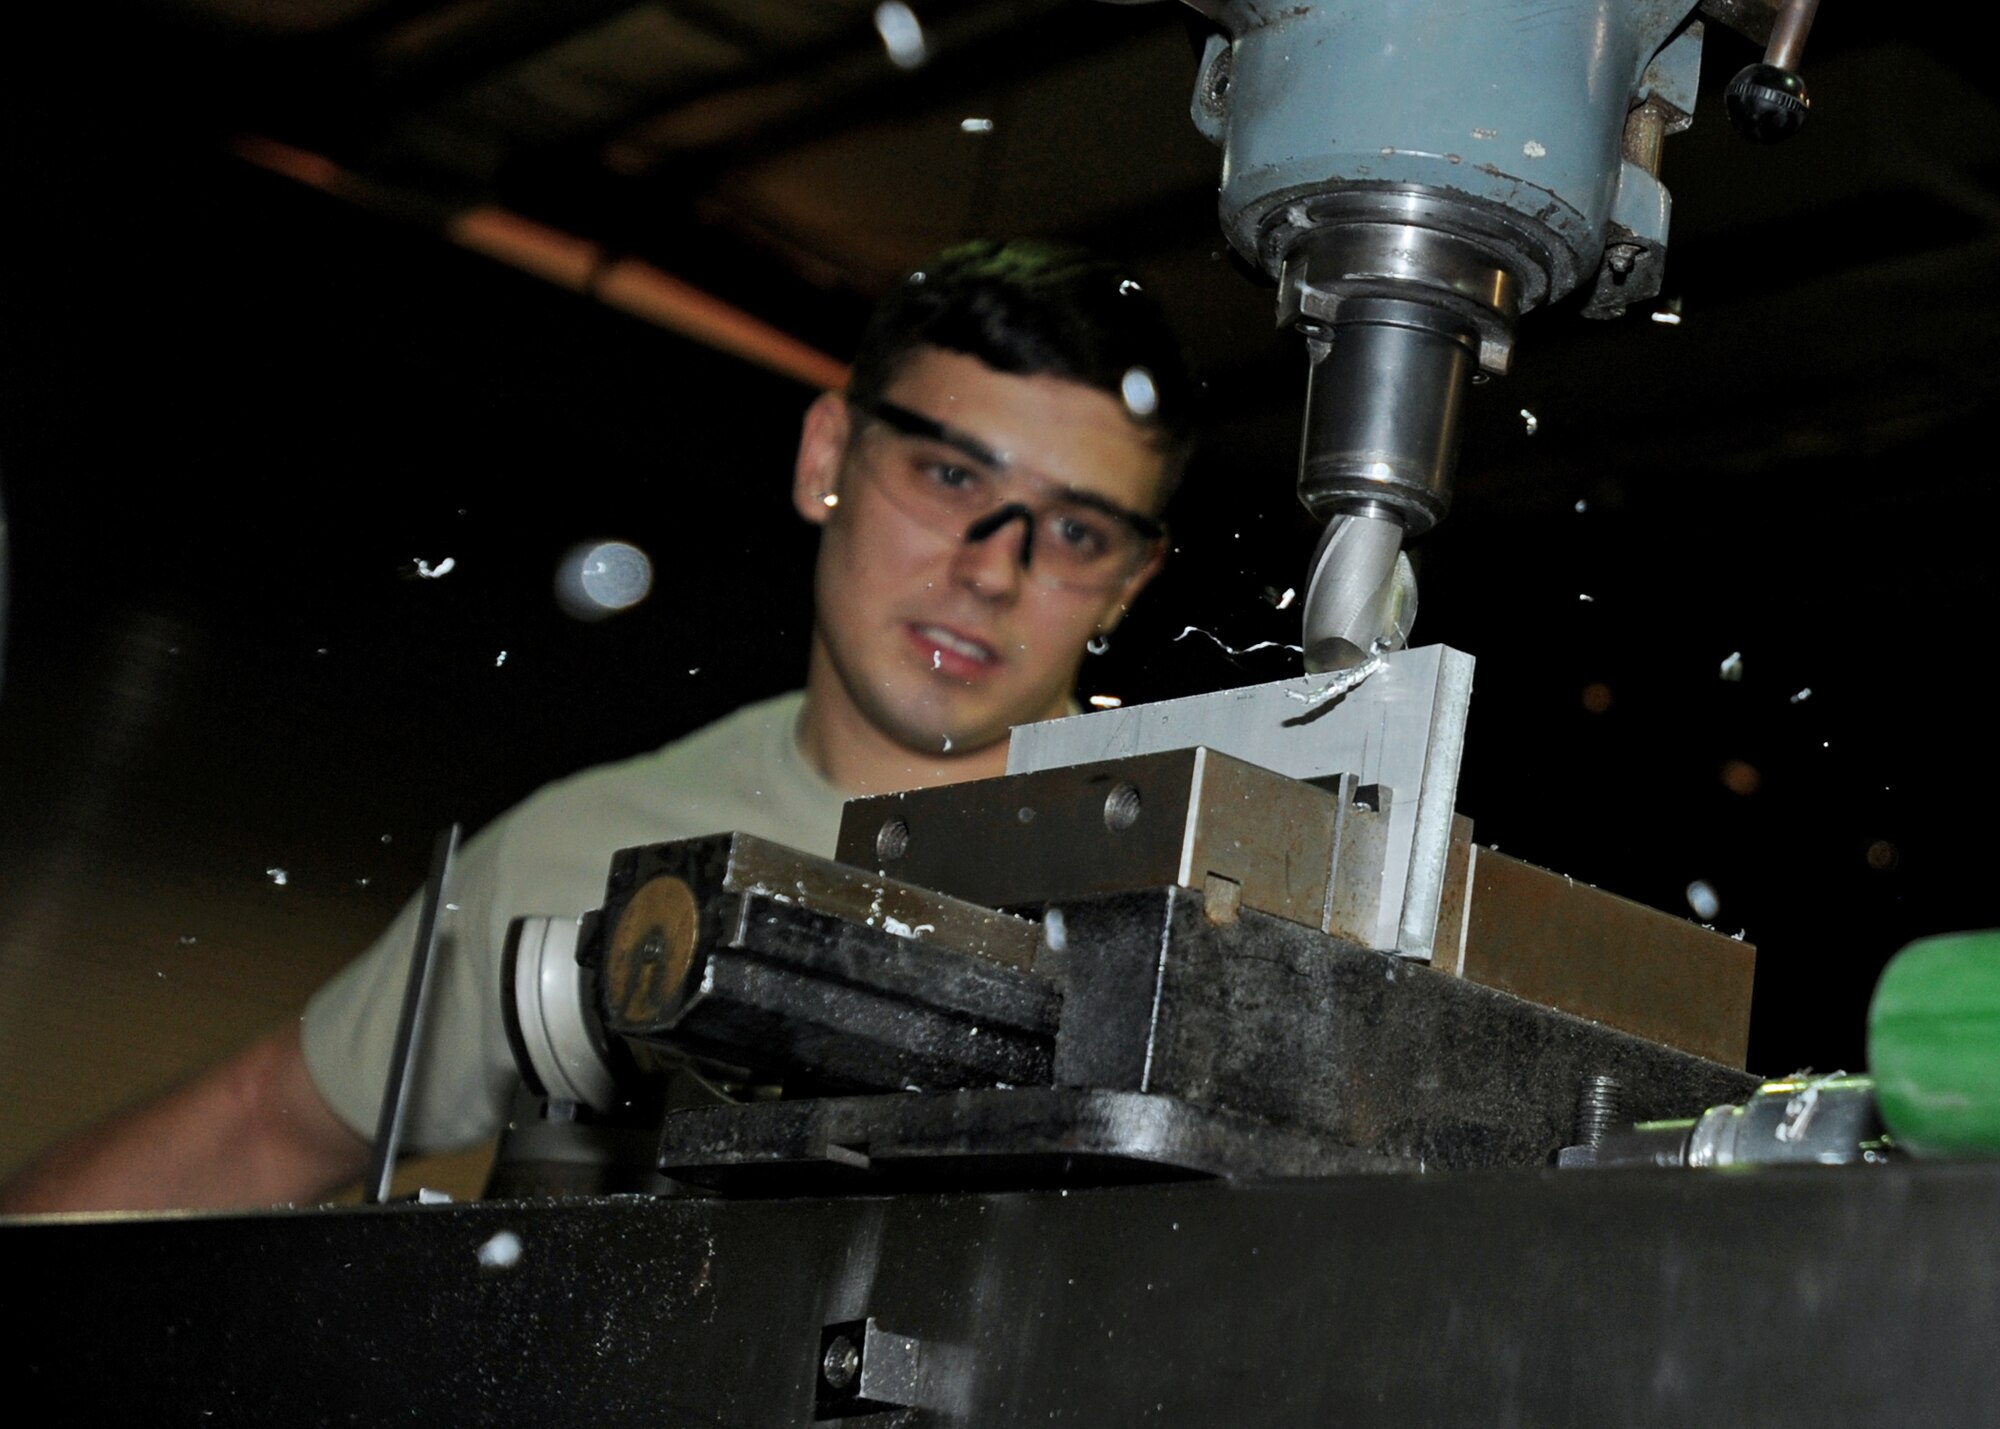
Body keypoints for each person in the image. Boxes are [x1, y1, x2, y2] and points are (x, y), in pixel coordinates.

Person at [0, 238, 1196, 1213]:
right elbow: (265, 1127)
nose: (991, 571)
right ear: (826, 455)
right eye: (948, 477)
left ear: (1130, 583)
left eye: (1075, 531)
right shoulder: (578, 852)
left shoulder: (1190, 893)